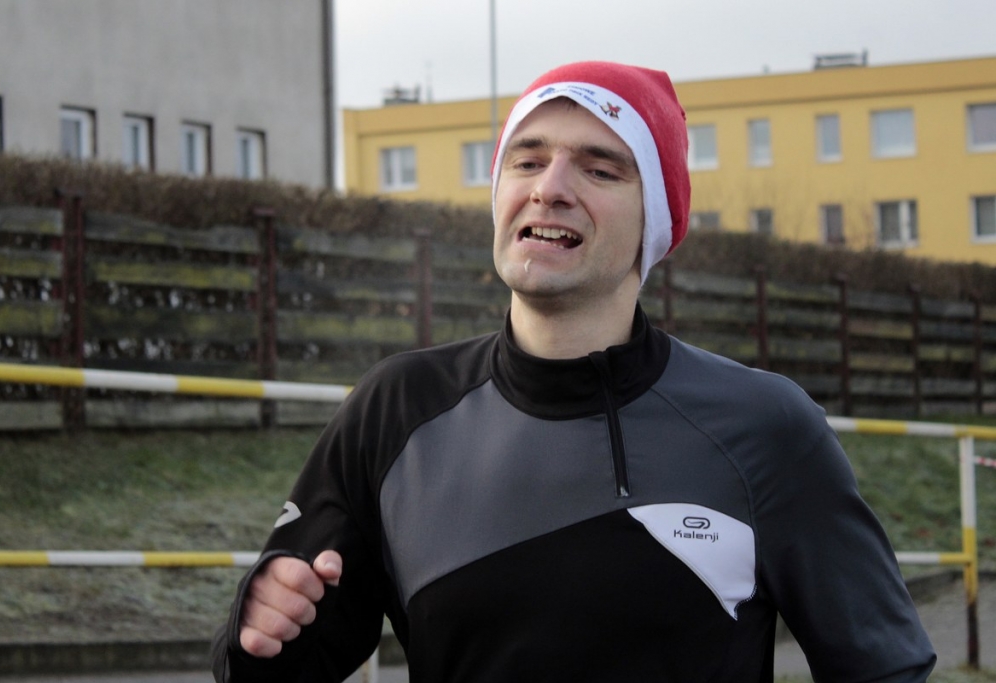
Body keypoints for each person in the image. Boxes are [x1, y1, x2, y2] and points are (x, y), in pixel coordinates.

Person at [212, 61, 936, 681]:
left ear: (653, 220)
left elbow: (886, 667)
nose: (550, 187)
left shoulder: (765, 426)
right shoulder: (396, 408)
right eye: (527, 161)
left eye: (599, 168)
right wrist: (260, 623)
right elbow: (275, 663)